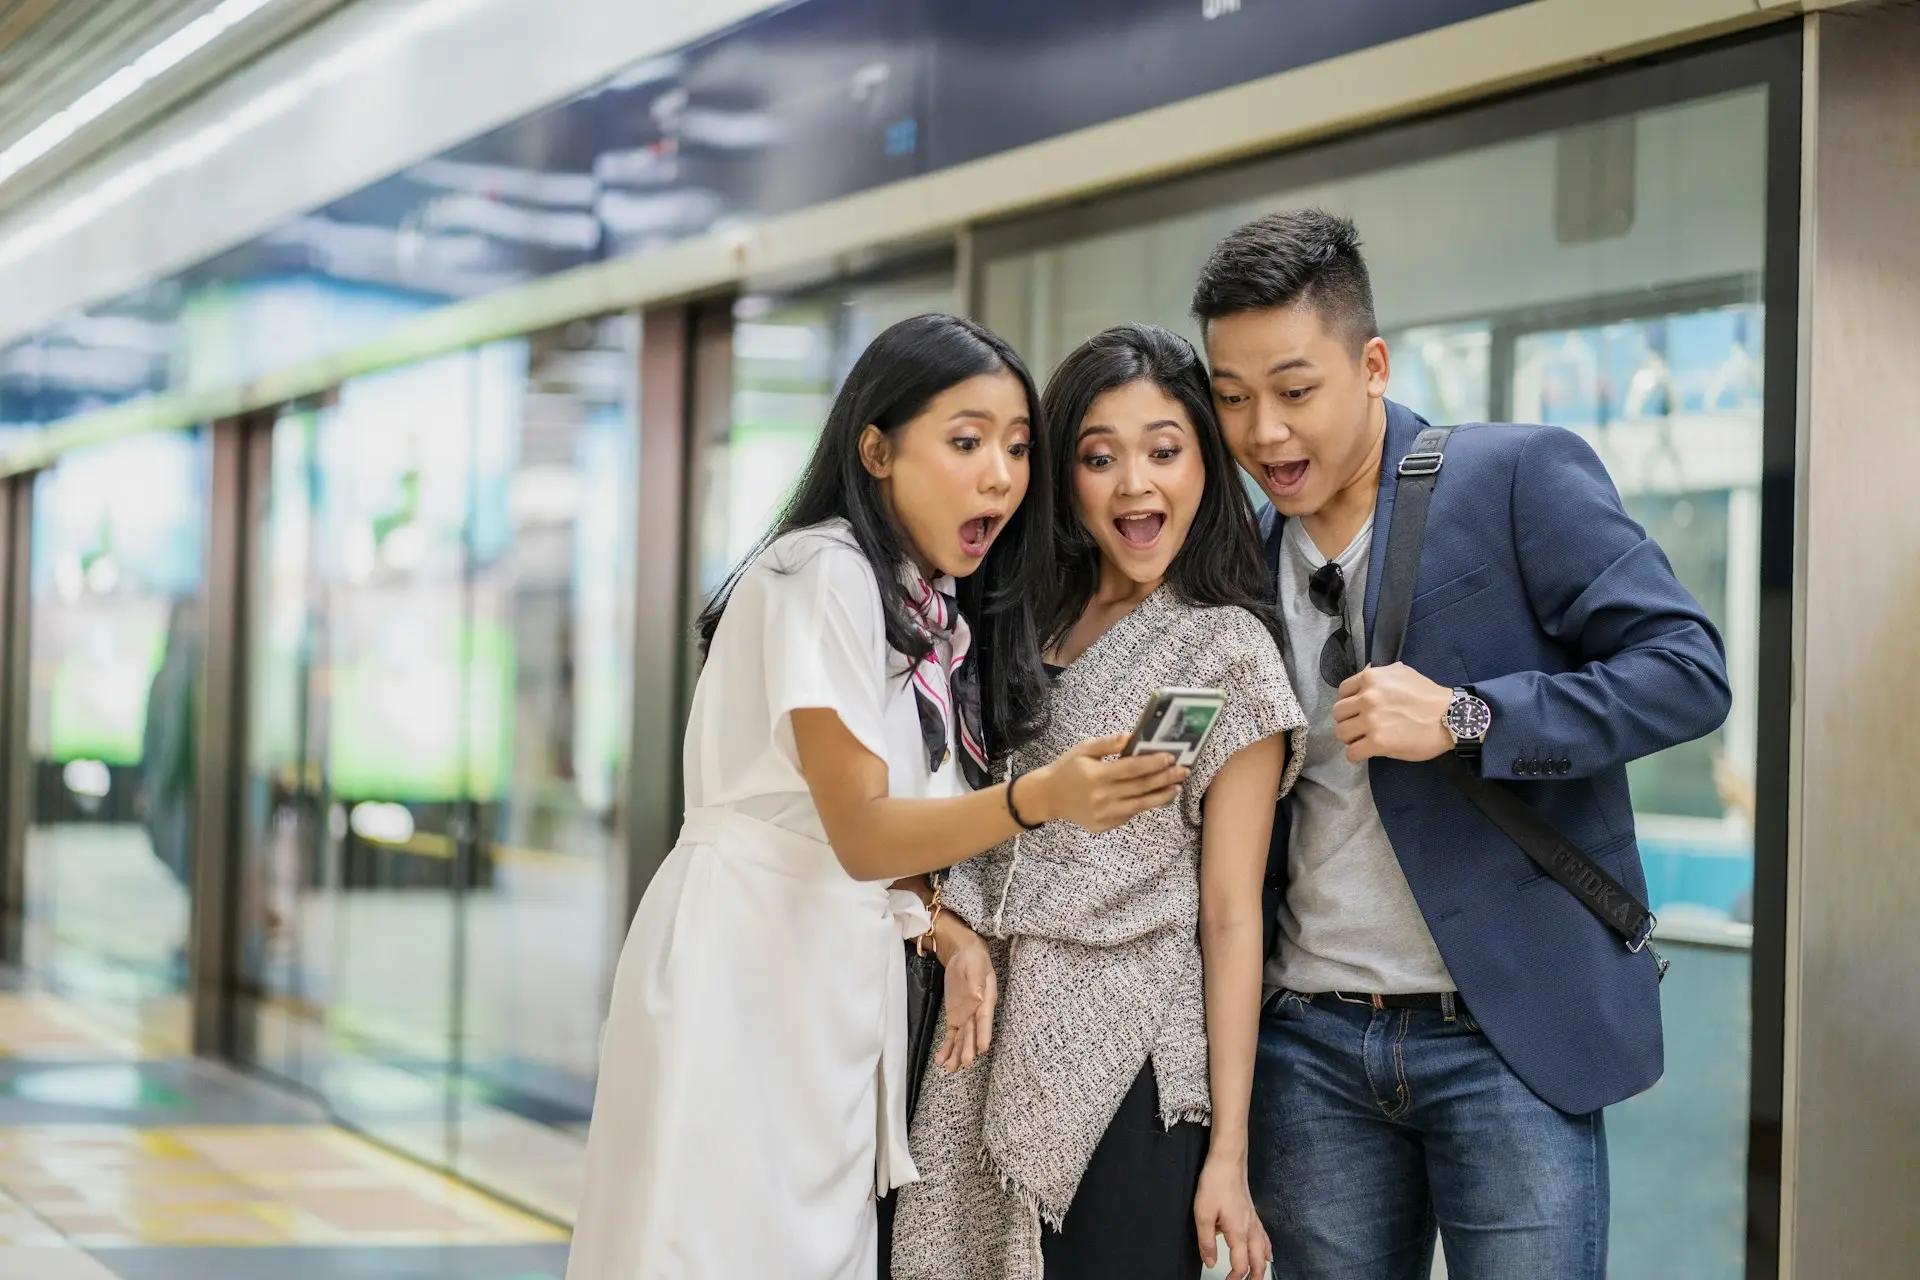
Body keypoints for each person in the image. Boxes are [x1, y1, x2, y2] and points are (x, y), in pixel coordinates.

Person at [564, 314, 1188, 1280]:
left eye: (1020, 449)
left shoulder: (927, 614)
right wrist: (1042, 799)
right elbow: (859, 832)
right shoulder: (823, 572)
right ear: (876, 448)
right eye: (967, 440)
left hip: (831, 986)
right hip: (743, 976)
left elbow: (870, 849)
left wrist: (942, 927)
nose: (1002, 477)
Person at [1192, 211, 1732, 1278]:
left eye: (1296, 391)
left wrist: (1470, 715)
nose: (1263, 433)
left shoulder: (1512, 476)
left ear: (1373, 364)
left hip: (1503, 1039)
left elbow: (1688, 667)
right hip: (1308, 1049)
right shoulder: (1235, 560)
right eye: (1232, 396)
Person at [893, 325, 1305, 1280]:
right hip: (974, 1027)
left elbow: (1231, 912)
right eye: (1098, 457)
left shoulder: (1220, 650)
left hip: (1125, 1056)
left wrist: (1230, 1158)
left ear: (1204, 461)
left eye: (1164, 452)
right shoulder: (1015, 614)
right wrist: (949, 930)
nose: (1135, 487)